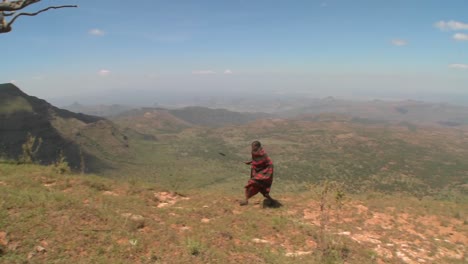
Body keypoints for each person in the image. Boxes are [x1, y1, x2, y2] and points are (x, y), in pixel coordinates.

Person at [240, 140, 275, 206]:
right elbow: (256, 160)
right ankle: (271, 201)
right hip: (257, 172)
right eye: (252, 146)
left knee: (252, 182)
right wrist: (250, 162)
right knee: (261, 188)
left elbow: (269, 163)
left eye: (253, 146)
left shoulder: (263, 153)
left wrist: (266, 173)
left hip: (265, 172)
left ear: (257, 146)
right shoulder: (254, 152)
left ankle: (246, 200)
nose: (252, 147)